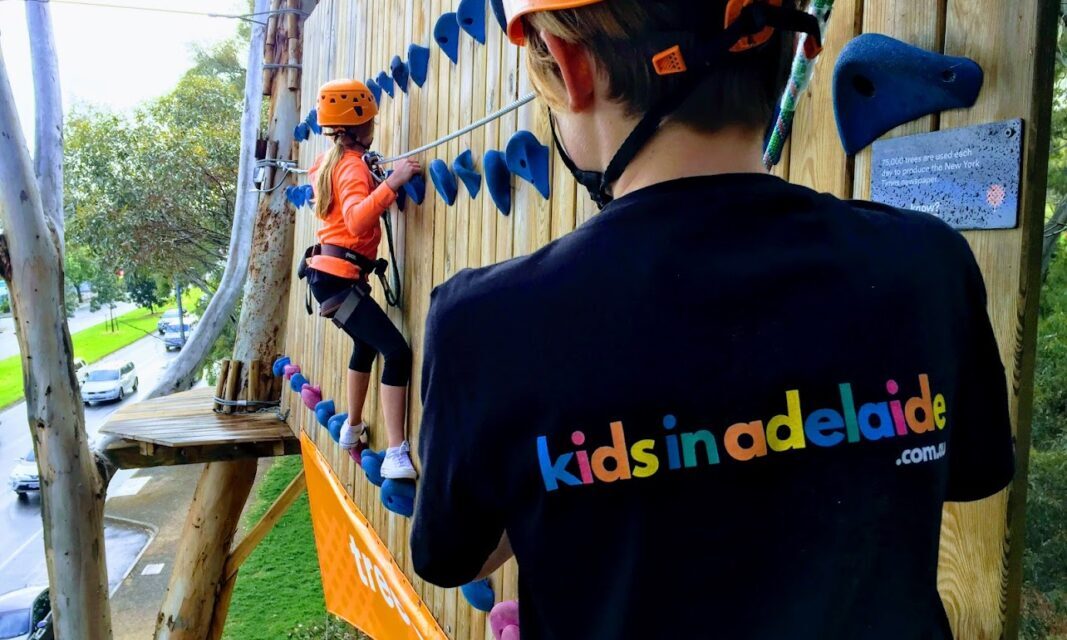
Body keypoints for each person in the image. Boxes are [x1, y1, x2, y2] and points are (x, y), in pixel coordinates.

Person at [411, 1, 1015, 638]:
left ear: (570, 66)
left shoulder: (487, 326)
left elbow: (456, 556)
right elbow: (971, 472)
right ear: (782, 52)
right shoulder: (927, 264)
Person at [304, 79, 421, 479]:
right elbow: (355, 219)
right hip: (338, 280)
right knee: (397, 352)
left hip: (331, 278)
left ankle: (352, 430)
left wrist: (377, 178)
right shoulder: (351, 166)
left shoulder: (329, 162)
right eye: (369, 120)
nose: (374, 125)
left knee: (365, 345)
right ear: (357, 127)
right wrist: (392, 181)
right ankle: (396, 452)